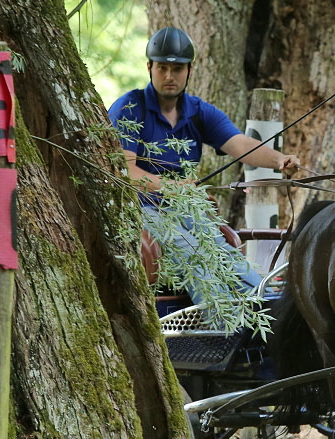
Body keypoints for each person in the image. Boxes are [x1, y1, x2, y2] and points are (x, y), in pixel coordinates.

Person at [107, 26, 300, 304]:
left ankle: (266, 307)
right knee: (190, 248)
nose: (169, 76)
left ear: (190, 70)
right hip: (142, 209)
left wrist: (278, 160)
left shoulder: (198, 112)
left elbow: (240, 145)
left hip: (185, 206)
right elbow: (126, 173)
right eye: (162, 68)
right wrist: (173, 187)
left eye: (177, 69)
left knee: (221, 247)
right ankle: (222, 325)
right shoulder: (129, 108)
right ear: (149, 68)